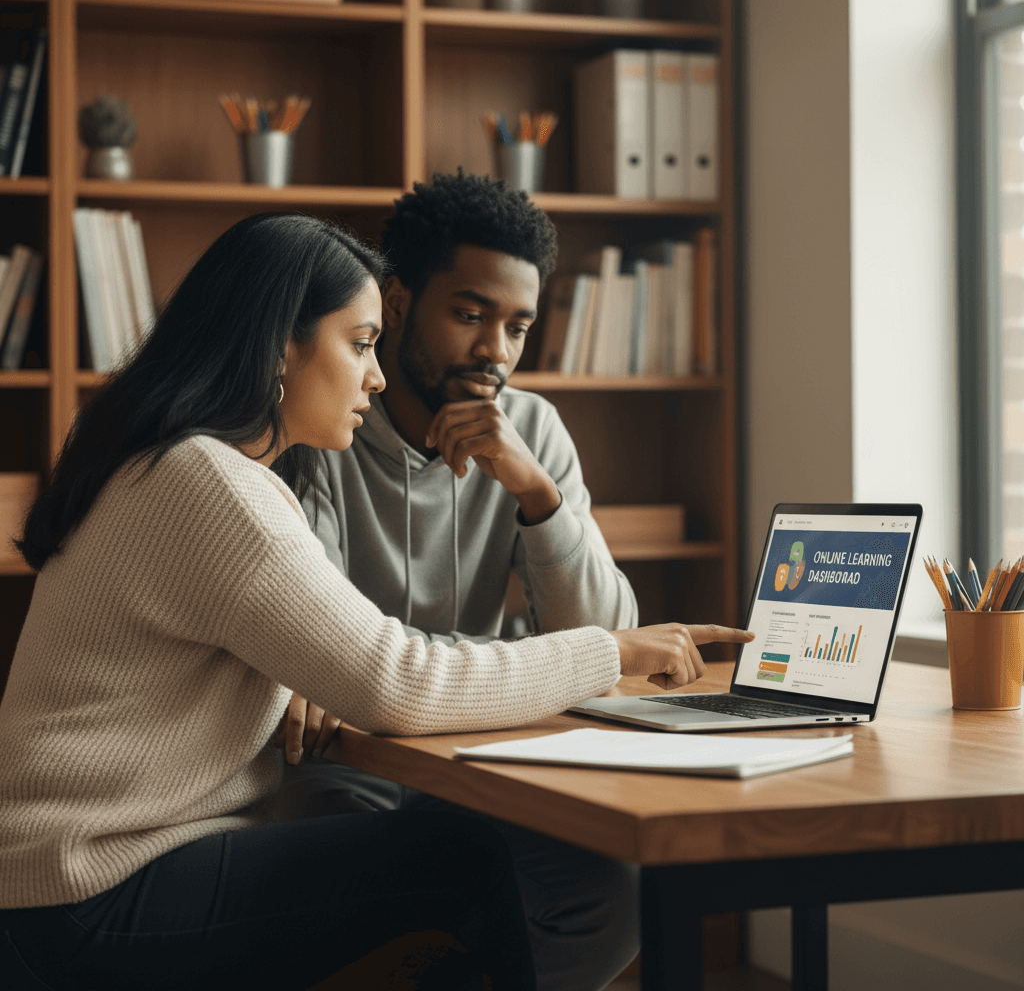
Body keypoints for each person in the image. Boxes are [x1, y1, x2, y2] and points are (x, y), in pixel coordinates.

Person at [0, 212, 754, 991]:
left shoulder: (178, 465)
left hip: (78, 883)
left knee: (496, 871)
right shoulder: (212, 486)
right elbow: (398, 681)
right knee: (458, 864)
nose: (377, 375)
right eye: (360, 344)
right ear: (279, 347)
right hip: (87, 894)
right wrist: (613, 649)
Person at [273, 173, 660, 990]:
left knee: (614, 894)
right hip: (341, 767)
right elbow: (323, 646)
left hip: (482, 760)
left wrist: (537, 494)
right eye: (471, 315)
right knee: (364, 898)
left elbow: (609, 641)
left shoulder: (535, 430)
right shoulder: (322, 424)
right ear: (398, 302)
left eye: (517, 326)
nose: (497, 352)